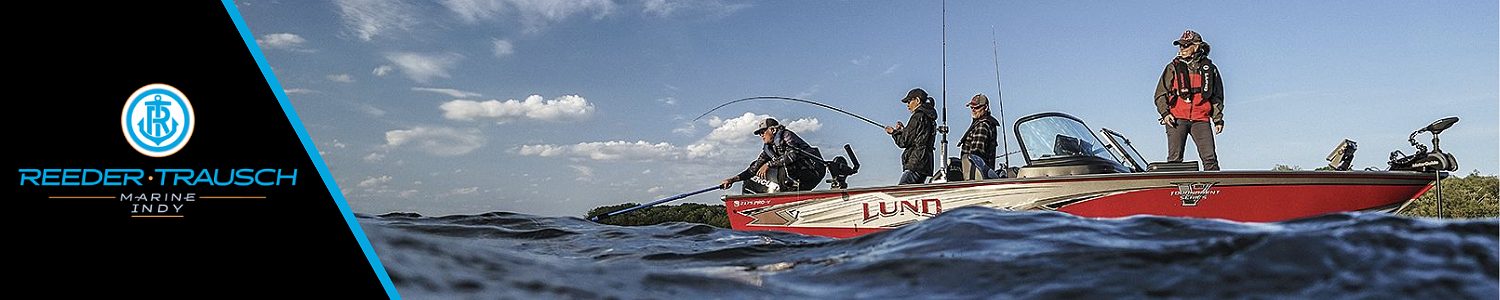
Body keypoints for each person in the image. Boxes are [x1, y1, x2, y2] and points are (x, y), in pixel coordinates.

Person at [1153, 29, 1225, 171]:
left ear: (1197, 46)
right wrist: (1165, 114)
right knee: (1175, 159)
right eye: (1180, 45)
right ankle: (1174, 190)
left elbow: (1217, 97)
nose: (1182, 49)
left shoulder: (1210, 69)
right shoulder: (1172, 67)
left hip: (1201, 119)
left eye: (1186, 45)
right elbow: (1160, 94)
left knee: (1210, 158)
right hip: (1176, 118)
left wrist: (1218, 119)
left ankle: (1215, 190)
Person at [719, 118, 826, 192]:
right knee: (758, 166)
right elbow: (752, 170)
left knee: (783, 168)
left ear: (773, 130)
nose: (761, 135)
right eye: (759, 133)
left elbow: (792, 156)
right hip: (797, 175)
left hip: (813, 170)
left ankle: (788, 196)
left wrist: (769, 164)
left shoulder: (787, 136)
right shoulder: (768, 149)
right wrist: (732, 180)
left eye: (763, 132)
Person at [885, 88, 937, 185]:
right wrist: (902, 130)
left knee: (902, 191)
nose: (907, 105)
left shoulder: (918, 116)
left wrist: (894, 133)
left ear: (917, 100)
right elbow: (917, 137)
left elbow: (904, 141)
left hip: (916, 163)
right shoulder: (928, 117)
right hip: (925, 163)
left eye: (909, 101)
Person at [959, 93, 1001, 180]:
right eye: (972, 107)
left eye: (977, 107)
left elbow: (976, 156)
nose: (973, 110)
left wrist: (971, 173)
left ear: (985, 107)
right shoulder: (982, 123)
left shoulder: (982, 126)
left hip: (976, 176)